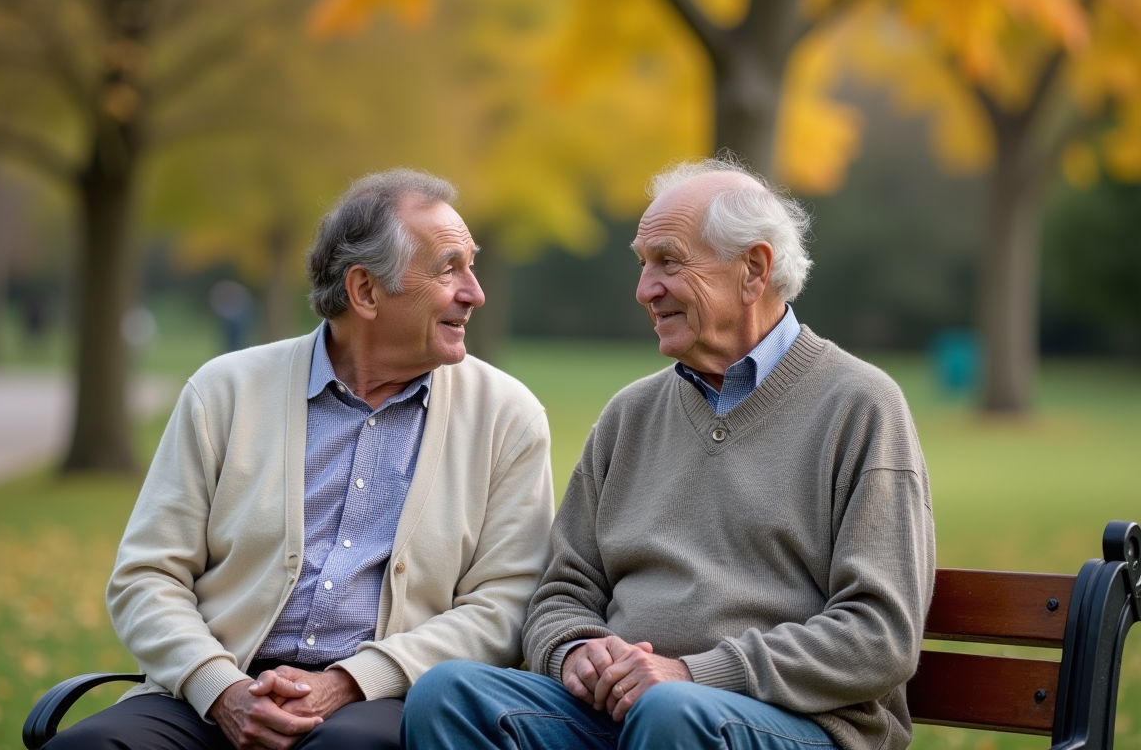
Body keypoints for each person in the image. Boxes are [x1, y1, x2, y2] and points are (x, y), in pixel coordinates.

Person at [403, 157, 935, 750]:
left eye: (668, 262)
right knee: (447, 696)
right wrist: (576, 649)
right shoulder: (629, 416)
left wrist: (692, 674)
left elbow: (879, 634)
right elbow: (563, 589)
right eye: (643, 265)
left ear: (753, 270)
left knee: (671, 713)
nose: (644, 290)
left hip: (795, 725)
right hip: (625, 714)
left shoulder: (859, 406)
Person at [47, 169, 555, 750]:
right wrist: (221, 688)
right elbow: (147, 575)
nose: (475, 291)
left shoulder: (507, 417)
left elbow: (505, 605)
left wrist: (347, 680)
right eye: (448, 268)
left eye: (472, 264)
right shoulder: (225, 391)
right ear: (365, 291)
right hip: (209, 696)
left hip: (381, 702)